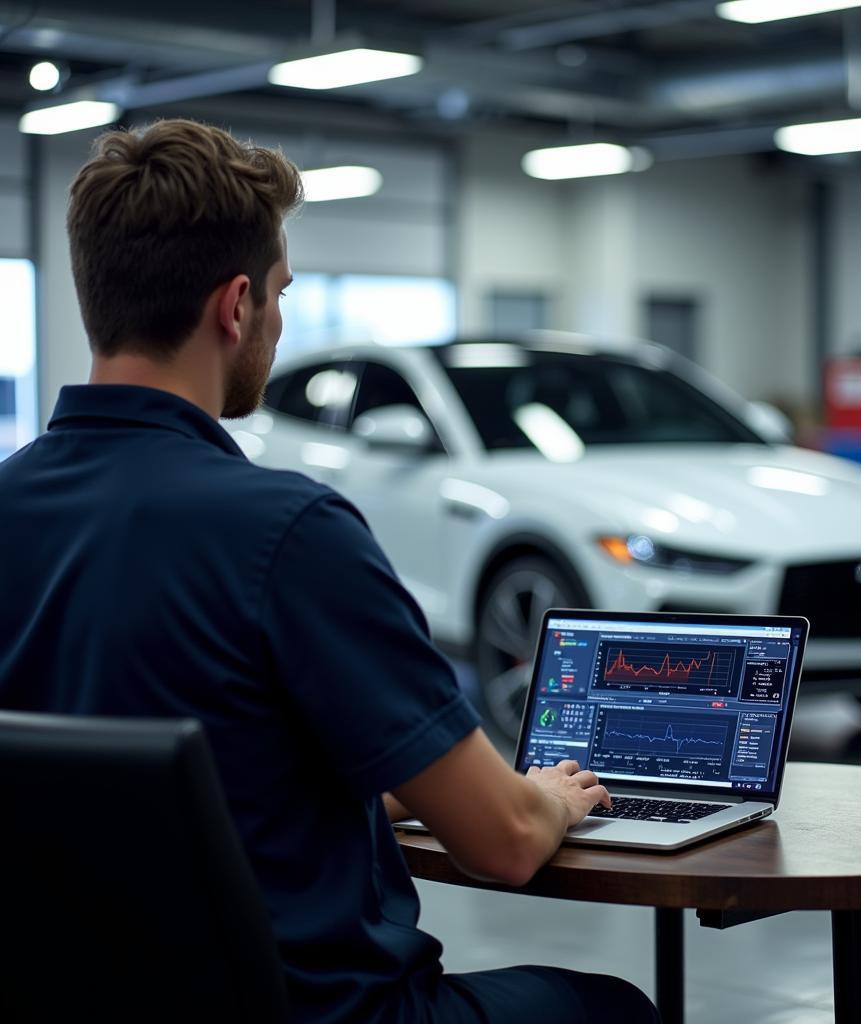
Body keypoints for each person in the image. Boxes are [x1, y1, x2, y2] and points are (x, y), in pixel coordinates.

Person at [0, 119, 660, 1024]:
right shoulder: (289, 531)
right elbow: (502, 842)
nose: (278, 318)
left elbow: (132, 782)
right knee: (613, 1008)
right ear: (236, 307)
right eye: (280, 293)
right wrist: (543, 795)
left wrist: (344, 799)